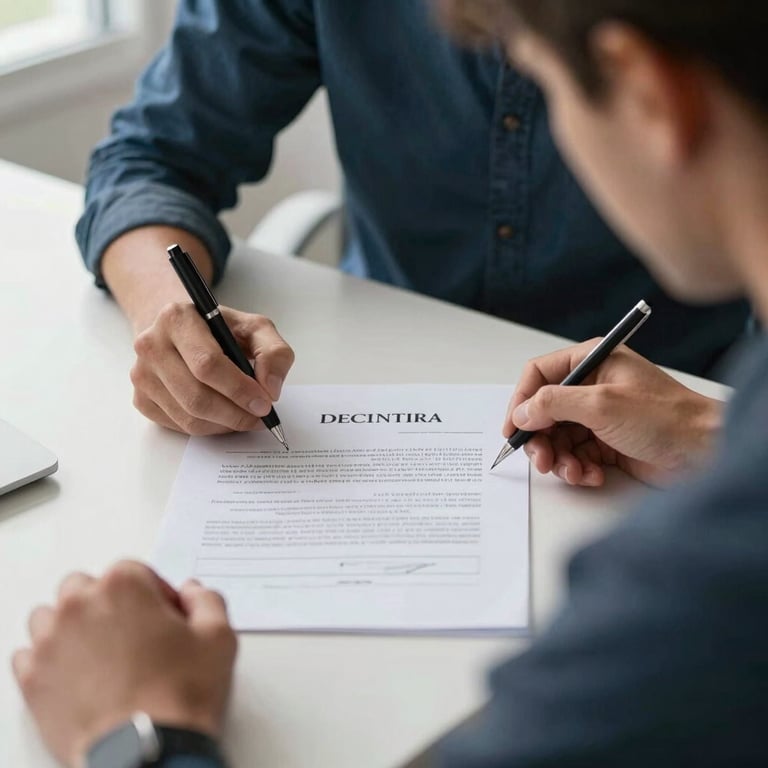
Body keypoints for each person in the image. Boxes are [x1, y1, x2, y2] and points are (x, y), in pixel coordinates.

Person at [14, 0, 768, 765]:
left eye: (548, 80)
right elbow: (150, 154)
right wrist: (719, 435)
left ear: (647, 94)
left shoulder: (692, 598)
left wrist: (139, 731)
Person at [75, 0, 749, 440]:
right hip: (371, 373)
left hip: (683, 393)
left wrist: (711, 430)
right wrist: (171, 318)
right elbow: (150, 157)